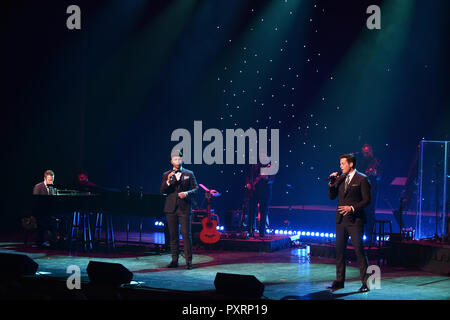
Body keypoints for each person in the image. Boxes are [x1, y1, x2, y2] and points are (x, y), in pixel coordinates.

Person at [327, 154, 371, 292]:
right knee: (340, 252)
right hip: (341, 221)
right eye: (340, 164)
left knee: (359, 251)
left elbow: (367, 200)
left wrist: (351, 208)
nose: (340, 166)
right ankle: (339, 281)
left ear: (351, 164)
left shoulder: (362, 179)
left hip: (355, 221)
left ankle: (366, 283)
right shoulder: (340, 179)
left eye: (343, 163)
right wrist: (331, 182)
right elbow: (331, 196)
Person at [160, 150, 198, 269]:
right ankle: (174, 260)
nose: (178, 161)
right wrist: (168, 181)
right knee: (173, 236)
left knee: (186, 235)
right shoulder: (166, 174)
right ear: (171, 161)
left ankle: (188, 261)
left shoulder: (189, 173)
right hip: (170, 209)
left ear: (182, 160)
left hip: (184, 209)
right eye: (175, 159)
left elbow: (196, 188)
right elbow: (162, 191)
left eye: (179, 159)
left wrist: (186, 193)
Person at [245, 162, 274, 238]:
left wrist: (266, 178)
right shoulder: (254, 165)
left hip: (265, 192)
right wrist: (248, 184)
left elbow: (272, 180)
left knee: (263, 212)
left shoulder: (270, 166)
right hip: (254, 192)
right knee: (251, 211)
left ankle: (261, 232)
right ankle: (250, 231)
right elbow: (248, 176)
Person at [359, 144, 381, 243]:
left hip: (372, 191)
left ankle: (371, 239)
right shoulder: (361, 162)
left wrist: (374, 173)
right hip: (362, 191)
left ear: (371, 151)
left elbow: (380, 177)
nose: (365, 154)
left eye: (367, 152)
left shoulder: (376, 161)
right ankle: (361, 237)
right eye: (364, 153)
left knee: (370, 213)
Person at [32, 170, 56, 247]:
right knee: (43, 222)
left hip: (50, 212)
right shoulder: (38, 187)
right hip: (40, 212)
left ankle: (54, 242)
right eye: (49, 180)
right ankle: (40, 242)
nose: (51, 182)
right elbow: (36, 201)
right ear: (45, 178)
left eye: (52, 180)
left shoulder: (53, 187)